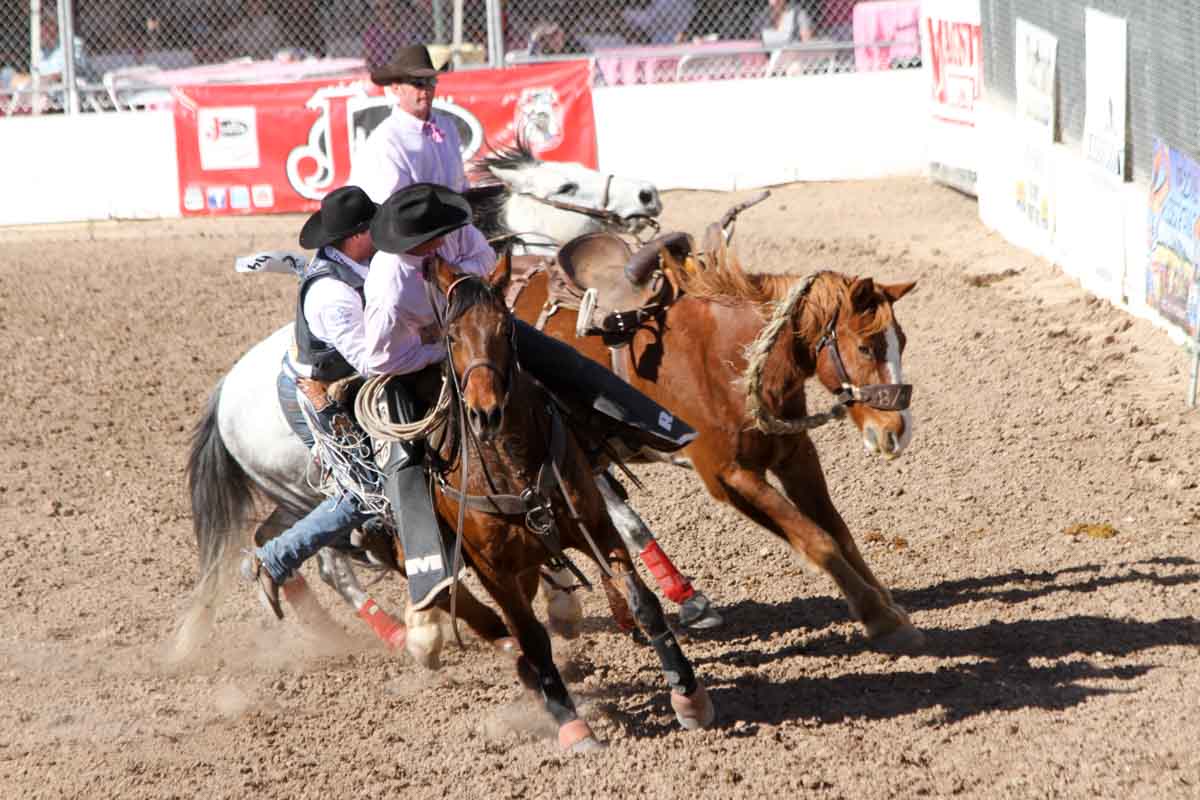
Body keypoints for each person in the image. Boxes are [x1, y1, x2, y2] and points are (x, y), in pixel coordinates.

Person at [249, 185, 381, 617]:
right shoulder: (332, 293)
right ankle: (276, 557)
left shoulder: (353, 267)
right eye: (373, 226)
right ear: (357, 237)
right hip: (321, 397)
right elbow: (371, 360)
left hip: (338, 385)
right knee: (366, 490)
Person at [349, 44, 469, 203]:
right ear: (396, 88)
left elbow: (460, 187)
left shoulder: (447, 127)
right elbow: (392, 210)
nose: (426, 89)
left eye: (431, 81)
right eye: (418, 83)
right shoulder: (387, 140)